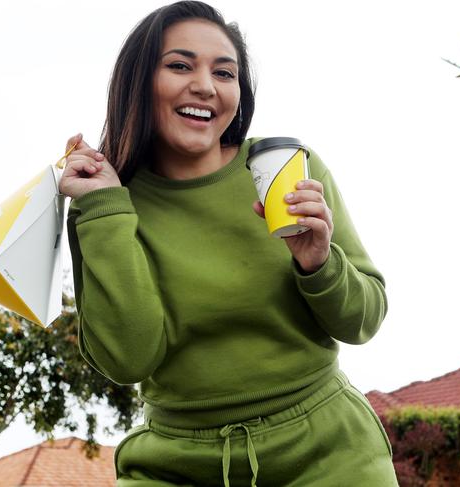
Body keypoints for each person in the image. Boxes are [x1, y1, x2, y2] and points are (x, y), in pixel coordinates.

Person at [60, 2, 397, 485]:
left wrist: (319, 264)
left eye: (225, 72)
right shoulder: (104, 201)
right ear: (138, 81)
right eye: (180, 65)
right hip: (175, 461)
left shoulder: (286, 168)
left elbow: (363, 321)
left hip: (327, 451)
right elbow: (128, 359)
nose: (206, 85)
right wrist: (104, 207)